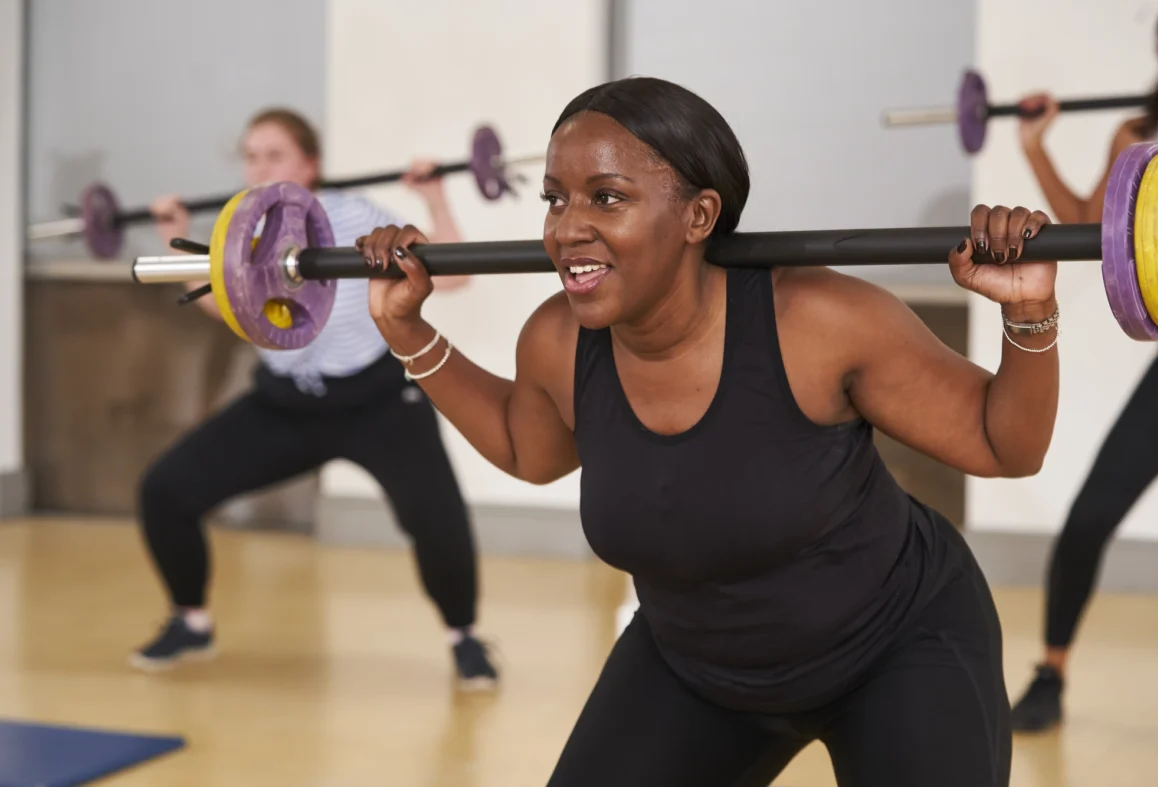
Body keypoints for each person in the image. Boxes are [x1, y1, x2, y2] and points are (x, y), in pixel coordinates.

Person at [357, 76, 1060, 786]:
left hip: (897, 646)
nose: (566, 228)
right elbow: (527, 450)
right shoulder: (558, 341)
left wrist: (1028, 312)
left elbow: (1003, 444)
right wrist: (405, 328)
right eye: (555, 199)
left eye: (607, 197)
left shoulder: (817, 321)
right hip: (694, 667)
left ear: (699, 215)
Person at [130, 107, 499, 692]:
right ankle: (191, 622)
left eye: (274, 155)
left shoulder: (356, 217)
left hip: (376, 401)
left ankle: (465, 637)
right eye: (251, 157)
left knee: (438, 519)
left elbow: (452, 277)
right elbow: (224, 307)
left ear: (310, 164)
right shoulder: (244, 232)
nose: (259, 168)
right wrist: (173, 239)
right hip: (286, 405)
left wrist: (434, 198)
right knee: (165, 490)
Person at [1006, 0, 1158, 732]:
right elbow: (1089, 227)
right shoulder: (1140, 139)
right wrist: (1034, 146)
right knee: (1091, 515)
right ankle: (1050, 673)